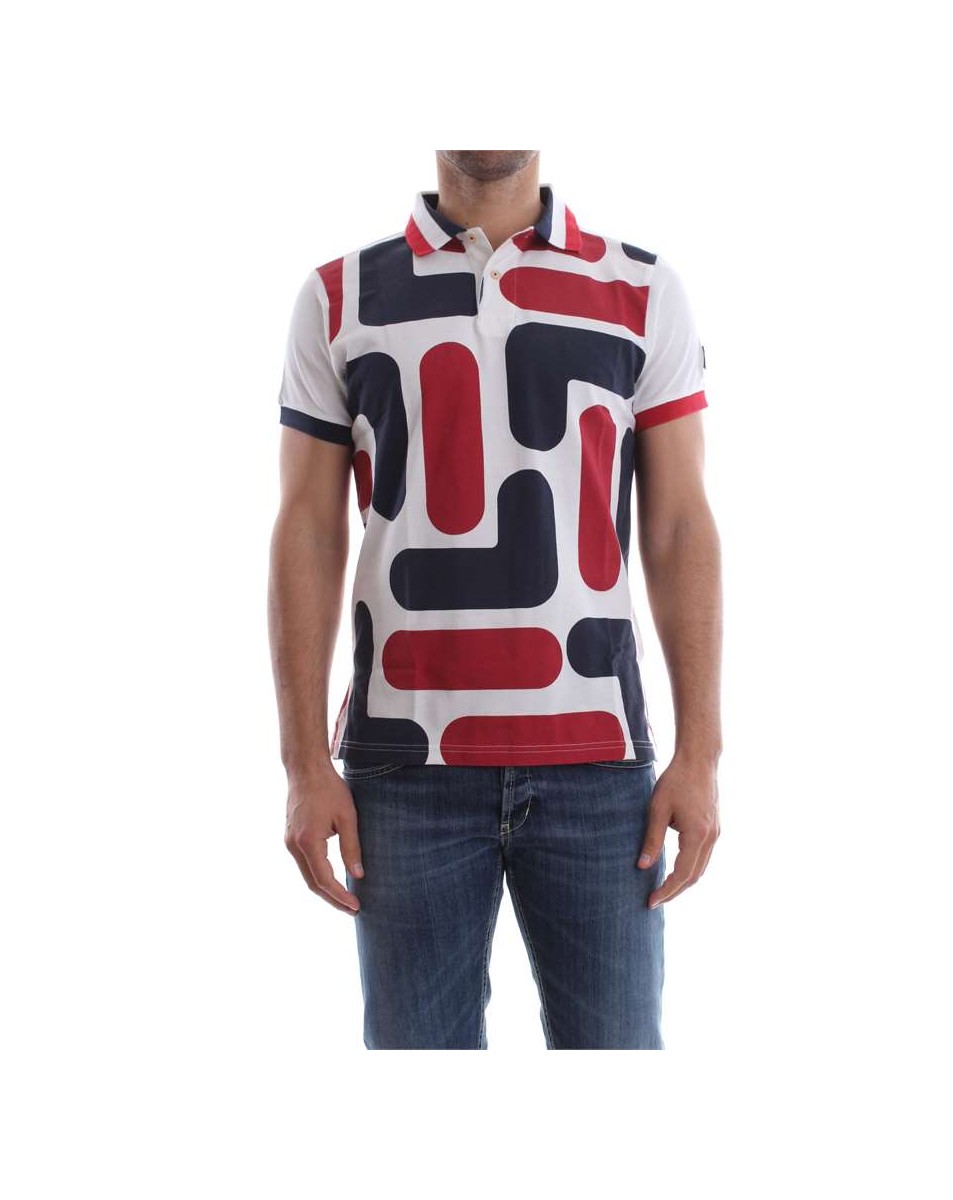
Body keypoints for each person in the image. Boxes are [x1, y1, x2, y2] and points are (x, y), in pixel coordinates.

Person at [268, 150, 722, 1049]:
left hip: (600, 767)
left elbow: (678, 527)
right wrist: (302, 765)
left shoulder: (642, 289)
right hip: (403, 770)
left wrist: (701, 753)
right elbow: (307, 531)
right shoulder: (338, 296)